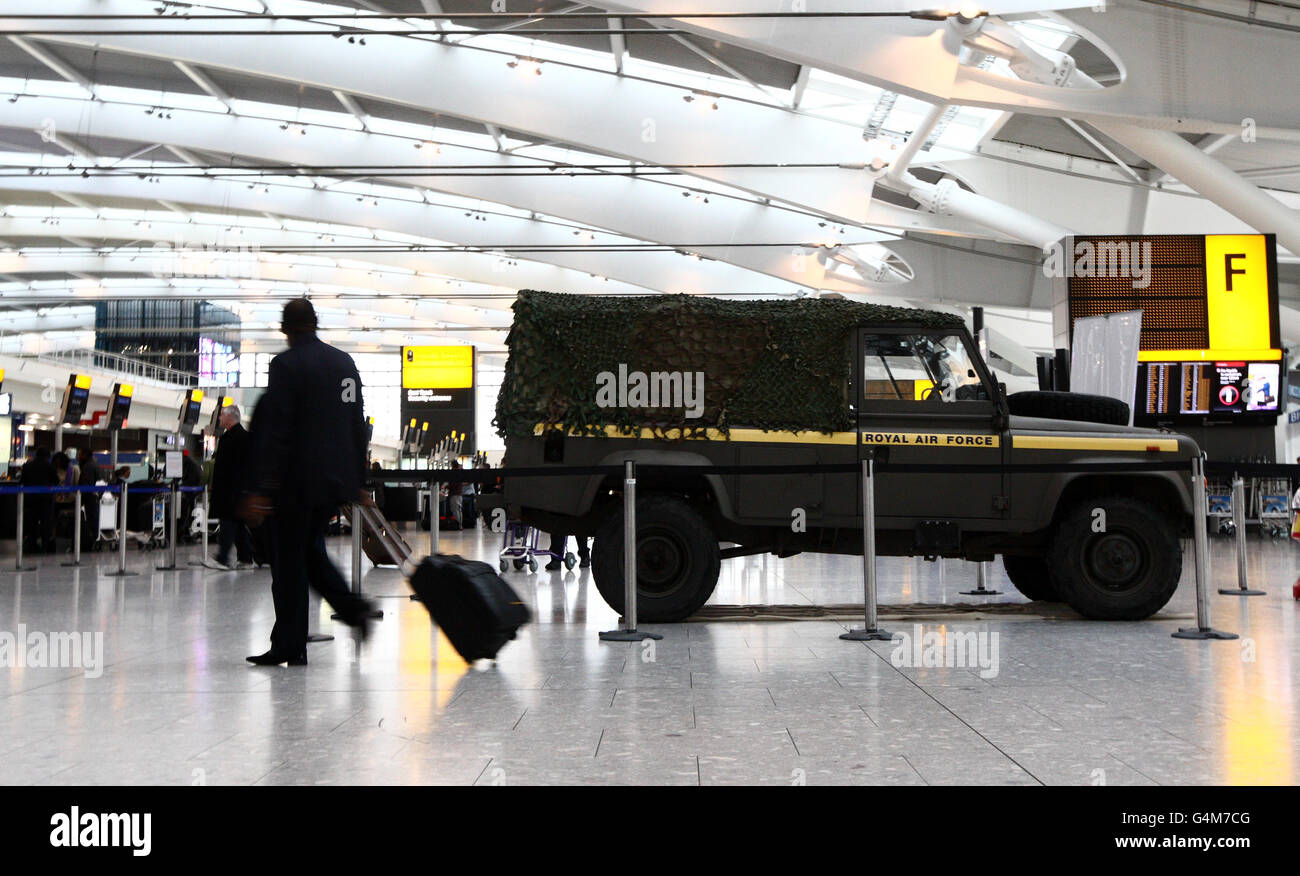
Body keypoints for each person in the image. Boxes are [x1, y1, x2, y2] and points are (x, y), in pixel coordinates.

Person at [241, 298, 376, 666]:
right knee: (308, 554)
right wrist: (358, 480)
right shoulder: (344, 363)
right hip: (335, 482)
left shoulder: (285, 365)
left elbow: (277, 430)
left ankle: (294, 641)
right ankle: (344, 615)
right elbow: (356, 426)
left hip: (295, 484)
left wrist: (260, 489)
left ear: (286, 329)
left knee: (288, 564)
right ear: (315, 324)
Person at [210, 405, 254, 570]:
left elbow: (242, 466)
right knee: (237, 524)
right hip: (228, 489)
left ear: (231, 417)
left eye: (222, 416)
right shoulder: (228, 437)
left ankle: (223, 558)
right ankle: (246, 558)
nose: (220, 419)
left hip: (234, 490)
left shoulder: (242, 438)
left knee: (229, 521)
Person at [20, 447, 58, 553]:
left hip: (30, 499)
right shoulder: (50, 466)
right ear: (47, 456)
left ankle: (32, 545)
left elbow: (22, 481)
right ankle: (44, 546)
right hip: (45, 499)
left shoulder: (27, 466)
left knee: (32, 523)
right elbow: (56, 480)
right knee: (45, 523)